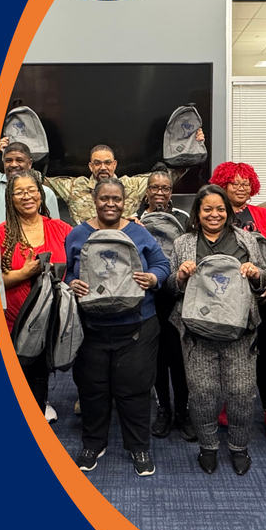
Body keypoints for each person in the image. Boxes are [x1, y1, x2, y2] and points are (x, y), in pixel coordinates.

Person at [65, 177, 170, 476]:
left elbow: (162, 265)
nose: (110, 204)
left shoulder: (139, 232)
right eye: (104, 199)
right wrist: (72, 283)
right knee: (92, 388)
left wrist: (153, 279)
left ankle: (138, 448)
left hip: (137, 324)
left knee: (134, 389)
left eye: (117, 199)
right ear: (94, 200)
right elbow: (68, 274)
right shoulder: (76, 234)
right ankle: (93, 444)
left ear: (125, 202)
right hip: (91, 327)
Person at [166, 185, 266, 475]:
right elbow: (170, 288)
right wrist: (181, 275)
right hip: (197, 333)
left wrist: (255, 274)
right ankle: (208, 447)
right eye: (207, 209)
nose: (214, 214)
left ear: (227, 212)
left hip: (240, 331)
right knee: (202, 394)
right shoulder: (183, 243)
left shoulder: (246, 240)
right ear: (197, 213)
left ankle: (239, 447)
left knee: (241, 392)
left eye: (220, 209)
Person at [209, 161, 266, 441]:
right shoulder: (214, 215)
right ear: (223, 184)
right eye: (234, 183)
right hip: (226, 302)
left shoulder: (264, 216)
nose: (241, 188)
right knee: (228, 357)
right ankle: (229, 405)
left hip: (262, 298)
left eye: (246, 183)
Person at [0, 170, 73, 424]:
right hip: (12, 322)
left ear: (41, 195)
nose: (27, 196)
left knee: (39, 374)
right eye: (19, 192)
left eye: (32, 190)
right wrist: (22, 274)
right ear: (10, 198)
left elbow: (86, 256)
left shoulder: (62, 229)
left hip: (49, 321)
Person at [138, 169, 195, 441]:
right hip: (147, 297)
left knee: (179, 358)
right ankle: (164, 409)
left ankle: (183, 411)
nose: (160, 192)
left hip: (178, 296)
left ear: (171, 192)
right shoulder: (135, 221)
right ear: (147, 191)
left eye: (165, 188)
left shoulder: (184, 220)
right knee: (157, 357)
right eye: (154, 187)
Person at [45, 131, 203, 223]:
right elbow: (36, 181)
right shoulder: (74, 186)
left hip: (124, 246)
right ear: (90, 166)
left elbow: (174, 172)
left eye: (107, 163)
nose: (103, 167)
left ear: (114, 164)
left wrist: (193, 142)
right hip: (84, 246)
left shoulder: (132, 185)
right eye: (97, 163)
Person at [0, 139, 60, 226]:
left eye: (19, 160)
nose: (13, 164)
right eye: (9, 160)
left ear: (29, 164)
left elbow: (54, 228)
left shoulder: (44, 193)